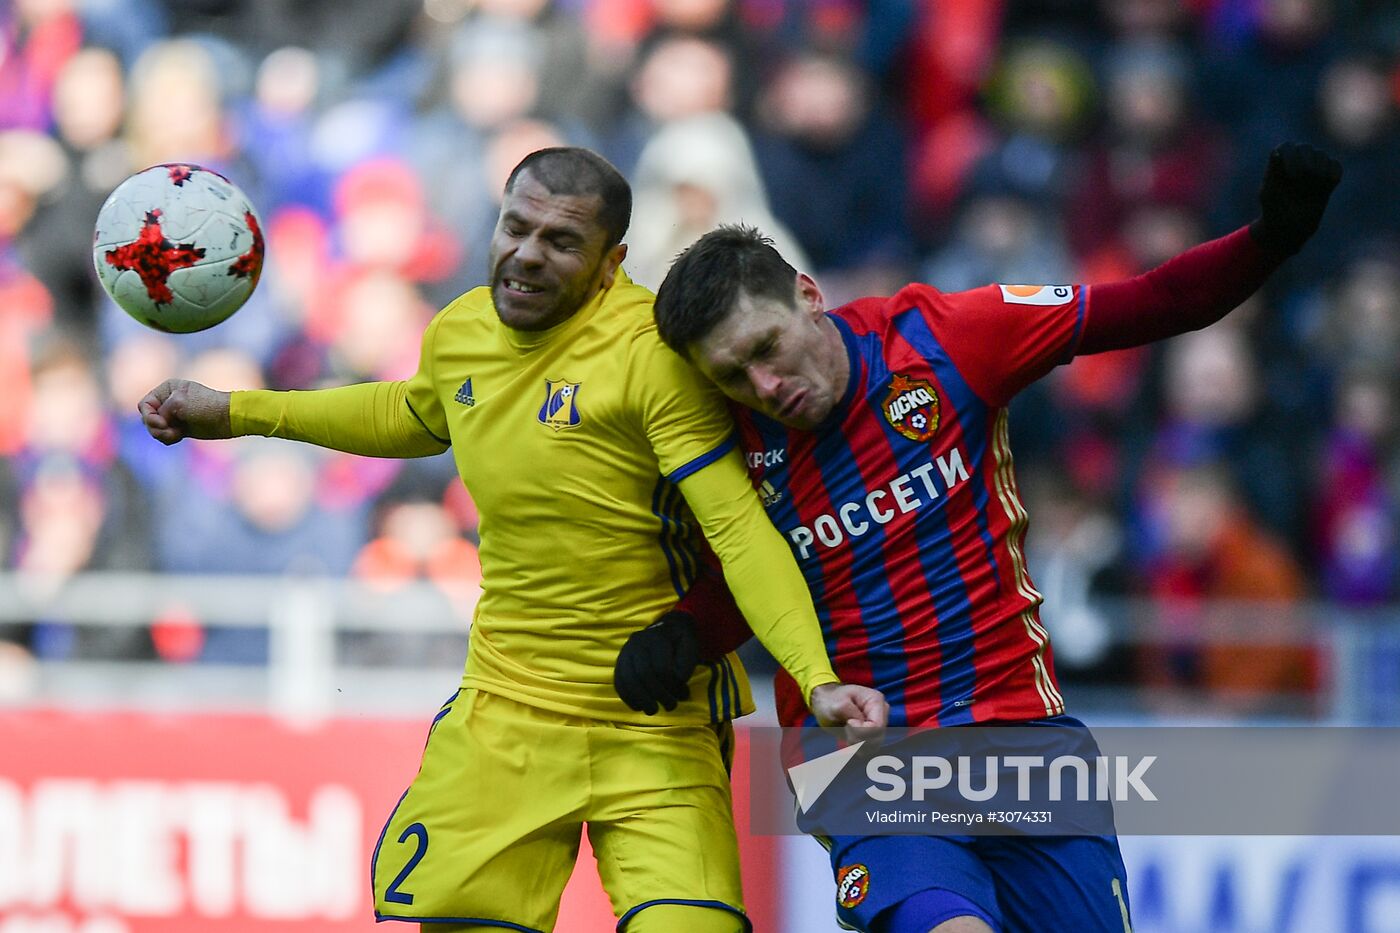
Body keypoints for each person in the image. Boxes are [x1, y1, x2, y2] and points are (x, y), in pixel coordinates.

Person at [138, 146, 887, 933]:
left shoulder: (653, 357)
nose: (527, 254)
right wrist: (237, 412)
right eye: (516, 227)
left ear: (610, 263)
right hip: (508, 712)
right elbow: (417, 413)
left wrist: (816, 674)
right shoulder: (461, 329)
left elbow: (738, 525)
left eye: (561, 242)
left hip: (655, 721)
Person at [621, 142, 1341, 932]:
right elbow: (755, 569)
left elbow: (1151, 302)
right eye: (732, 374)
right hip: (864, 760)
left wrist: (1271, 236)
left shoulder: (944, 339)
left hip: (1021, 737)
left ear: (808, 294)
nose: (764, 387)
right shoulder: (728, 438)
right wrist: (687, 630)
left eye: (767, 349)